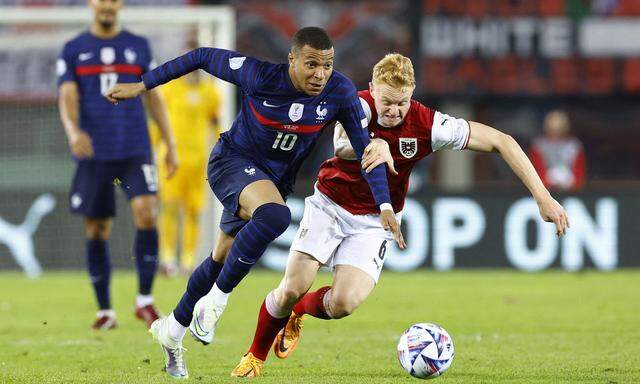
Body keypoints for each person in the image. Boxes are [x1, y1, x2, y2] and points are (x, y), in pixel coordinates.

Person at [230, 53, 571, 377]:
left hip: (374, 222)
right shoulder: (356, 104)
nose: (394, 110)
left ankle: (300, 311)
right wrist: (372, 146)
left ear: (412, 95)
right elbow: (340, 145)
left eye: (402, 102)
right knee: (292, 286)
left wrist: (543, 197)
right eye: (387, 101)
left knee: (344, 303)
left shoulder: (428, 123)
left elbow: (502, 140)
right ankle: (254, 358)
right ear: (373, 90)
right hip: (329, 205)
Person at [106, 27, 404, 379]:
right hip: (231, 162)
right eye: (311, 64)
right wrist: (142, 85)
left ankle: (172, 329)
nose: (320, 74)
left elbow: (366, 152)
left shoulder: (338, 91)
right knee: (276, 216)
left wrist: (385, 206)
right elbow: (201, 55)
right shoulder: (258, 74)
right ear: (292, 59)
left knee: (221, 256)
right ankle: (214, 304)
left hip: (272, 180)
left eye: (327, 64)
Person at [57, 0, 178, 330]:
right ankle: (105, 311)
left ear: (120, 4)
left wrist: (169, 142)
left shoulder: (138, 46)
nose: (107, 5)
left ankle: (144, 301)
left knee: (147, 212)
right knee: (97, 227)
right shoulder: (74, 48)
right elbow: (67, 94)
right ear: (91, 4)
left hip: (134, 149)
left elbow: (153, 95)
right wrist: (73, 132)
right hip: (94, 152)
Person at [150, 41, 222, 277]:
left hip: (198, 159)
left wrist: (224, 148)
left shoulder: (210, 91)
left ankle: (188, 259)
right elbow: (158, 122)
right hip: (171, 158)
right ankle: (168, 258)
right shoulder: (169, 89)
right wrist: (149, 146)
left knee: (194, 210)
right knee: (169, 207)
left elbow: (215, 123)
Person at [529, 109, 587, 191]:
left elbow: (579, 174)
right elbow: (536, 171)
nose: (555, 134)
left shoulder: (574, 146)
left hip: (571, 189)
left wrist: (572, 184)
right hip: (544, 189)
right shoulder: (539, 145)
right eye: (552, 130)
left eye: (559, 130)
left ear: (565, 129)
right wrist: (547, 183)